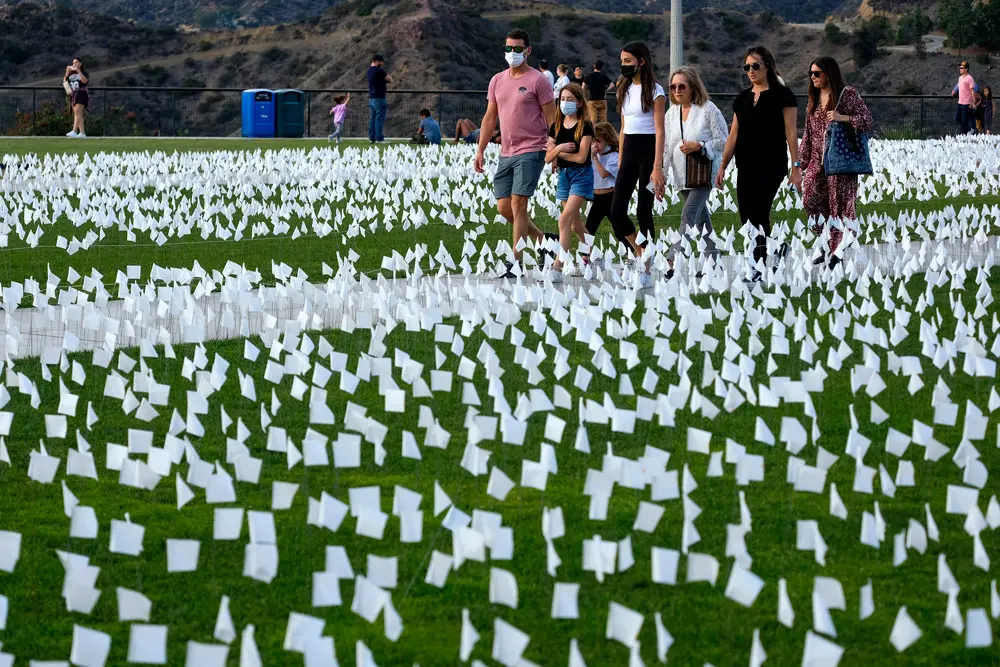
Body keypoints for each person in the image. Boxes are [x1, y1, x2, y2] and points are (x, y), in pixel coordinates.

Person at [474, 29, 557, 277]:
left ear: (528, 51)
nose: (512, 53)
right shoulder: (497, 80)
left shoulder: (539, 81)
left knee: (519, 204)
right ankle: (544, 242)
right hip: (506, 151)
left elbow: (552, 118)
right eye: (508, 48)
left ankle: (516, 263)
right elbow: (490, 118)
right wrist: (480, 149)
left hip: (533, 148)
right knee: (504, 208)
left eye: (518, 49)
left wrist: (554, 146)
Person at [716, 46, 801, 283]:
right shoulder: (742, 99)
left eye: (755, 66)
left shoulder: (783, 95)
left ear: (768, 67)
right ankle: (775, 250)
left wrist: (796, 167)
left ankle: (758, 265)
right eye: (747, 67)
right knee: (746, 216)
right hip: (746, 164)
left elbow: (791, 132)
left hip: (772, 163)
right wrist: (723, 164)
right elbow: (733, 135)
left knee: (758, 212)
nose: (750, 71)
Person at [798, 57, 873, 268]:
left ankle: (836, 251)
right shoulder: (813, 99)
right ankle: (824, 240)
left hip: (840, 160)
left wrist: (843, 118)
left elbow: (867, 120)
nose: (812, 77)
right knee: (810, 199)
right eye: (810, 73)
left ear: (828, 74)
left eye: (817, 73)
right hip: (817, 161)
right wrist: (799, 165)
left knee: (839, 206)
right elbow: (808, 134)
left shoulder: (847, 95)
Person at [663, 66, 728, 274]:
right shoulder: (671, 113)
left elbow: (723, 141)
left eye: (681, 86)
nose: (676, 91)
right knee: (701, 219)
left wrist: (700, 145)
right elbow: (666, 146)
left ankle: (674, 256)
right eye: (673, 87)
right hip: (681, 174)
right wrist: (661, 174)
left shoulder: (708, 109)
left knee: (689, 214)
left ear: (692, 87)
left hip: (703, 172)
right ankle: (713, 259)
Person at [612, 41, 666, 258]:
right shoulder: (623, 88)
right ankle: (640, 250)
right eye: (622, 61)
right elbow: (623, 128)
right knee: (616, 211)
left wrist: (658, 166)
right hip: (629, 152)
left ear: (641, 62)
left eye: (628, 61)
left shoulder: (656, 90)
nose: (624, 65)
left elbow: (660, 130)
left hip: (649, 151)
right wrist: (621, 157)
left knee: (644, 210)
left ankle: (648, 260)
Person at [544, 84, 594, 281]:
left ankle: (558, 266)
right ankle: (591, 252)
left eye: (570, 99)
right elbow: (548, 158)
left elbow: (582, 158)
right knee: (574, 224)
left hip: (581, 176)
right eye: (562, 99)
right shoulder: (555, 126)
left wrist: (558, 151)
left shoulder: (585, 126)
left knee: (564, 219)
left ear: (580, 103)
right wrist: (558, 150)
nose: (565, 103)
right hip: (564, 176)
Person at [584, 121, 629, 263]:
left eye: (598, 141)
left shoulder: (614, 156)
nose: (595, 145)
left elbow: (604, 174)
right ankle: (585, 257)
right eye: (593, 141)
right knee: (589, 228)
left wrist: (595, 158)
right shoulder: (591, 155)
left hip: (610, 197)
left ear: (607, 140)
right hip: (597, 197)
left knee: (619, 229)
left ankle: (630, 252)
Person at [367, 54, 393, 143]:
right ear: (377, 61)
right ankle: (379, 138)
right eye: (381, 62)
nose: (382, 63)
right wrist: (384, 80)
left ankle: (372, 138)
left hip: (371, 98)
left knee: (373, 118)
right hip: (379, 98)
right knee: (379, 119)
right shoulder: (379, 71)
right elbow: (390, 79)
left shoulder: (369, 71)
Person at [64, 57, 89, 138]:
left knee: (78, 111)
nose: (74, 64)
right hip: (74, 94)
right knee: (78, 113)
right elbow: (65, 83)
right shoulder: (71, 74)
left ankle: (74, 131)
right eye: (73, 63)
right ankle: (82, 133)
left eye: (76, 62)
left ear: (80, 64)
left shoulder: (84, 72)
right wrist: (67, 72)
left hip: (81, 93)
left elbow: (85, 81)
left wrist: (79, 71)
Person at [953, 61, 976, 135]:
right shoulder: (960, 78)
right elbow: (959, 87)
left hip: (967, 103)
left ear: (966, 69)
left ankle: (965, 135)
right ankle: (969, 129)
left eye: (962, 68)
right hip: (960, 102)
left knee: (964, 120)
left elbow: (972, 91)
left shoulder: (970, 78)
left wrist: (974, 102)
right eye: (960, 68)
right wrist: (954, 90)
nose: (960, 69)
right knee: (957, 118)